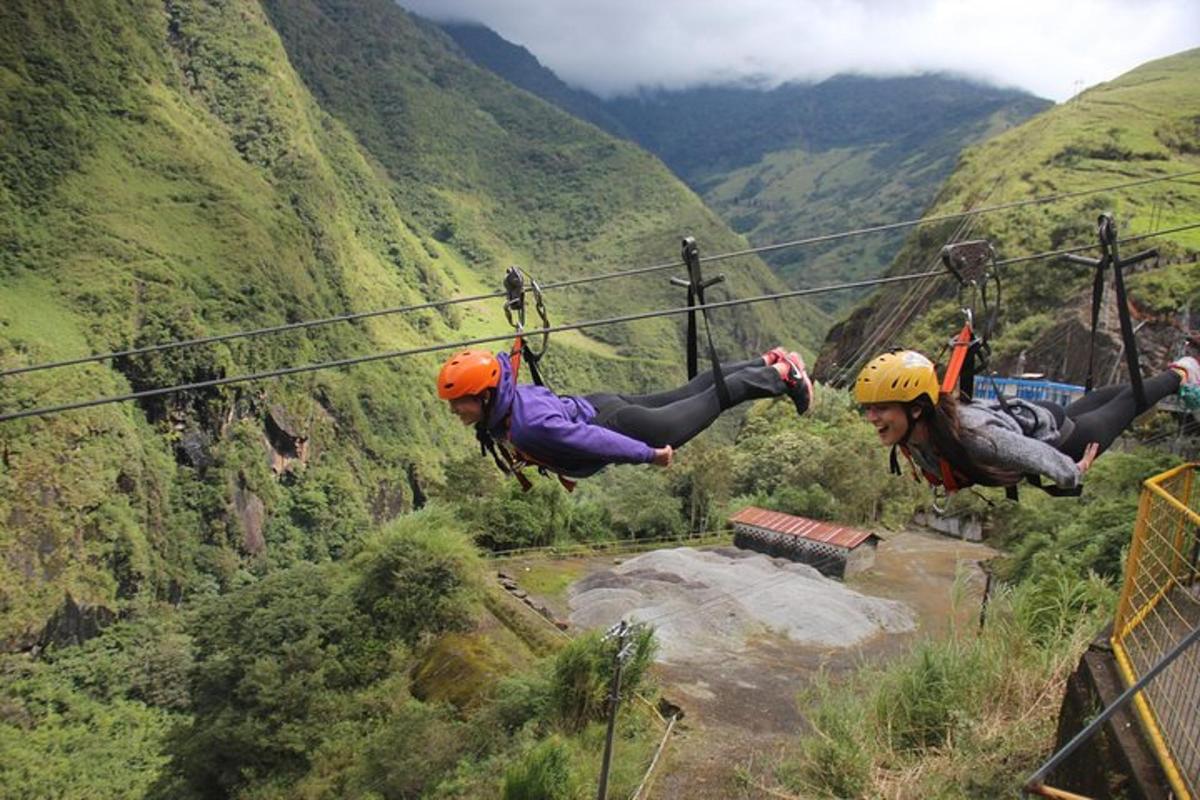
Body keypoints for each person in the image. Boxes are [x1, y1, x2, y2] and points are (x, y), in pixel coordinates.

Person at [437, 346, 812, 480]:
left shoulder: (527, 426)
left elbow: (591, 439)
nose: (455, 411)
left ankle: (781, 374)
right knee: (688, 393)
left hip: (617, 425)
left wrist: (649, 454)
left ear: (486, 396)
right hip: (602, 404)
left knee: (711, 401)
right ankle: (768, 358)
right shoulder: (508, 397)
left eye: (461, 402)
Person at [853, 349, 1200, 493]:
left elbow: (1039, 456)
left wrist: (1072, 474)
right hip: (1042, 415)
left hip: (1070, 441)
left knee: (1130, 400)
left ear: (915, 409)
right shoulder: (923, 427)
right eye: (869, 409)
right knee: (1107, 397)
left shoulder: (976, 437)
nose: (872, 418)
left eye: (881, 409)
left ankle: (1184, 371)